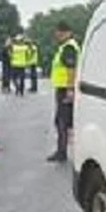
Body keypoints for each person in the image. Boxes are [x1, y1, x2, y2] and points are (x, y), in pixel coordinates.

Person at [47, 22, 80, 162]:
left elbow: (71, 69)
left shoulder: (69, 48)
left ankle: (62, 152)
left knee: (62, 122)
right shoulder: (65, 47)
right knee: (61, 121)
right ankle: (61, 150)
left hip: (65, 89)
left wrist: (70, 90)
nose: (58, 35)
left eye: (61, 33)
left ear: (68, 33)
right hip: (62, 88)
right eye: (57, 32)